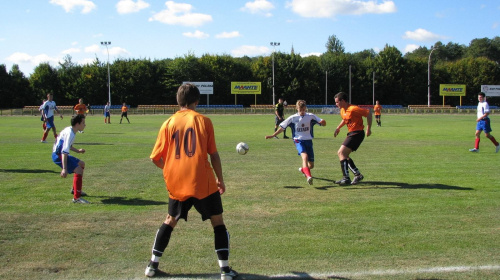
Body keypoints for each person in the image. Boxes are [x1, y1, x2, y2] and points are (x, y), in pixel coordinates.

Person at [145, 84, 238, 280]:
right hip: (203, 181)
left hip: (177, 183)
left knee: (170, 221)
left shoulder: (168, 123)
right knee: (217, 222)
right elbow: (214, 155)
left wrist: (170, 168)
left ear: (178, 101)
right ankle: (225, 270)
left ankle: (152, 266)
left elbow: (155, 158)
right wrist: (220, 180)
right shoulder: (204, 121)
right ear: (196, 101)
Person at [265, 100, 326, 185]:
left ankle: (302, 169)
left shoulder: (311, 116)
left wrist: (323, 123)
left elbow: (323, 123)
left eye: (304, 110)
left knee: (311, 165)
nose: (302, 112)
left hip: (308, 141)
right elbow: (282, 128)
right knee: (304, 157)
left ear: (306, 108)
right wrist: (273, 135)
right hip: (298, 140)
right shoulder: (292, 118)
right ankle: (309, 177)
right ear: (297, 108)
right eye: (300, 110)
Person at [333, 92, 372, 185]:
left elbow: (368, 113)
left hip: (357, 133)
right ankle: (357, 175)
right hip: (351, 133)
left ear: (343, 101)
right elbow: (345, 119)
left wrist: (368, 128)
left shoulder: (353, 109)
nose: (336, 104)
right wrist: (338, 127)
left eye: (337, 102)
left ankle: (346, 178)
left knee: (341, 153)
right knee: (344, 155)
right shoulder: (342, 110)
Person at [52, 114, 89, 203]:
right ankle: (76, 198)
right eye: (83, 123)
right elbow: (64, 152)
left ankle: (74, 189)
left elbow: (67, 145)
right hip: (59, 155)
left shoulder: (70, 129)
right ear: (77, 124)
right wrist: (64, 169)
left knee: (81, 164)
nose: (85, 125)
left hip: (58, 153)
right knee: (79, 170)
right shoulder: (70, 134)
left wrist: (77, 151)